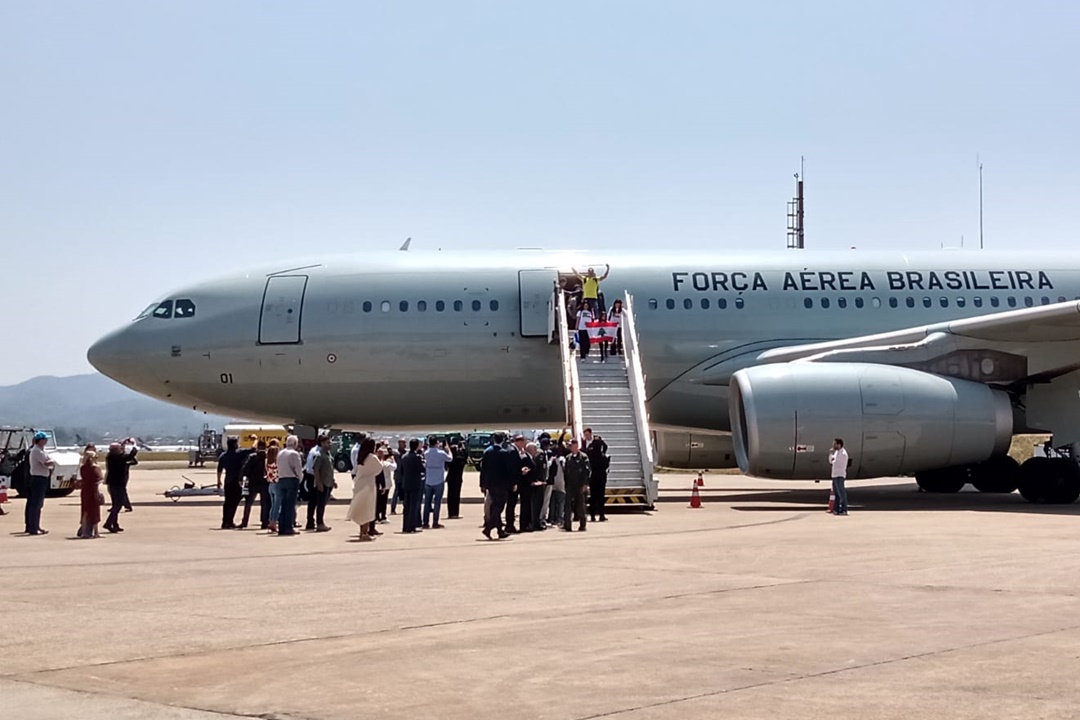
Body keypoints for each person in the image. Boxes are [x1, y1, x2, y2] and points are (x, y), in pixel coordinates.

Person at [346, 438, 380, 541]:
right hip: (368, 485)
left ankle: (362, 532)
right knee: (367, 509)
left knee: (361, 509)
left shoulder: (360, 456)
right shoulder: (372, 457)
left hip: (359, 483)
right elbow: (379, 468)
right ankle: (365, 533)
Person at [217, 437, 253, 530]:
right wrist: (255, 439)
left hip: (228, 481)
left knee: (227, 502)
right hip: (237, 481)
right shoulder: (239, 454)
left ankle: (225, 521)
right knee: (235, 502)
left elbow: (219, 469)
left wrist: (218, 480)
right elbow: (253, 449)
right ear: (235, 445)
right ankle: (229, 521)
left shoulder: (223, 456)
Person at [104, 440, 138, 534]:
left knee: (116, 504)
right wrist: (134, 445)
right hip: (117, 485)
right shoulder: (119, 458)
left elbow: (123, 454)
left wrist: (123, 443)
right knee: (117, 505)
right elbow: (131, 455)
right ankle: (108, 523)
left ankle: (115, 524)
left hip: (113, 484)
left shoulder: (111, 457)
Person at [482, 435, 512, 540]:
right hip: (502, 484)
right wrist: (512, 483)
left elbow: (483, 470)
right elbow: (509, 470)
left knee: (495, 506)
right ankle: (489, 528)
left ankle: (499, 531)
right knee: (498, 507)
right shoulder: (505, 453)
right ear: (503, 441)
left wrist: (483, 484)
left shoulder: (488, 453)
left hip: (491, 484)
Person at [25, 431, 55, 536]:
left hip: (42, 478)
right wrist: (51, 462)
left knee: (38, 504)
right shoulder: (37, 451)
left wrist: (50, 461)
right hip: (38, 479)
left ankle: (35, 526)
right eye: (45, 439)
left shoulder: (41, 450)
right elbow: (47, 462)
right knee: (35, 504)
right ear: (40, 440)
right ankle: (33, 527)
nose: (46, 441)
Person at [275, 436, 303, 536]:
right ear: (295, 443)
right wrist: (299, 479)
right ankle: (288, 527)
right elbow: (298, 469)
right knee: (290, 505)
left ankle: (282, 527)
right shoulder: (294, 454)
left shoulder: (280, 453)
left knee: (283, 505)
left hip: (281, 479)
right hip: (291, 479)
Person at [562, 439, 591, 532]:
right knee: (567, 505)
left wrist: (585, 484)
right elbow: (565, 472)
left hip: (580, 484)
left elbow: (587, 471)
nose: (571, 447)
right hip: (570, 485)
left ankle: (582, 525)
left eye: (572, 445)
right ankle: (567, 525)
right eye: (570, 445)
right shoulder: (568, 458)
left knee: (580, 506)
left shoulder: (583, 457)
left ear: (576, 445)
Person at [239, 441, 269, 529]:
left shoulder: (252, 456)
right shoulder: (267, 456)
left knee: (248, 503)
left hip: (253, 482)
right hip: (265, 482)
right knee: (265, 503)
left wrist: (241, 478)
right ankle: (264, 522)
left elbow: (245, 468)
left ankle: (244, 522)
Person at [423, 440, 452, 529]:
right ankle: (435, 522)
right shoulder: (441, 453)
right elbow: (450, 458)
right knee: (437, 503)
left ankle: (425, 522)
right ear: (436, 443)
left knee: (427, 502)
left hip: (428, 480)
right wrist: (448, 449)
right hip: (439, 480)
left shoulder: (426, 453)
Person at [308, 435, 334, 532]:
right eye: (327, 443)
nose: (330, 444)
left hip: (328, 482)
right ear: (322, 443)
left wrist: (333, 481)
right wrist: (319, 483)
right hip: (322, 483)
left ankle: (320, 522)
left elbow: (330, 469)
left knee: (323, 504)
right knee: (320, 504)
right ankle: (320, 523)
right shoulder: (319, 455)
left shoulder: (328, 454)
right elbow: (316, 469)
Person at [505, 435, 531, 533]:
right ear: (519, 442)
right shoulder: (512, 451)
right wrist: (519, 475)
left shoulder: (513, 450)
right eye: (524, 442)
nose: (524, 444)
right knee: (511, 504)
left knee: (512, 504)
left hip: (515, 481)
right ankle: (509, 525)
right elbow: (511, 469)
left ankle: (510, 524)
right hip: (513, 482)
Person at [399, 439, 426, 533]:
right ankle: (411, 526)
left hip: (406, 483)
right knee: (413, 506)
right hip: (415, 483)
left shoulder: (404, 456)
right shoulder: (417, 457)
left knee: (406, 506)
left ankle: (405, 526)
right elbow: (422, 469)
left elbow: (401, 470)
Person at [584, 429, 610, 522]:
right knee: (600, 497)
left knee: (593, 497)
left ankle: (592, 516)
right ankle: (601, 515)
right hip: (600, 477)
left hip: (593, 477)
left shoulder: (590, 454)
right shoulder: (603, 457)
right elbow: (606, 465)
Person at [77, 446, 102, 539]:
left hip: (85, 490)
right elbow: (99, 479)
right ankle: (96, 532)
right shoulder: (95, 468)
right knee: (95, 512)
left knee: (85, 511)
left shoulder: (83, 468)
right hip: (93, 490)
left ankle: (84, 531)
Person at [525, 442, 548, 532]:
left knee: (539, 504)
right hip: (533, 484)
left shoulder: (536, 457)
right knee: (534, 505)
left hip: (540, 483)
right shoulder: (528, 458)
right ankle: (533, 523)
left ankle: (536, 522)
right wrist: (534, 481)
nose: (536, 451)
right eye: (534, 449)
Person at [445, 443, 467, 519]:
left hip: (450, 479)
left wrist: (448, 451)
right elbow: (465, 457)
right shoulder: (460, 460)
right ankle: (455, 512)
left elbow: (446, 464)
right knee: (456, 496)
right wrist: (463, 449)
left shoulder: (450, 461)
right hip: (458, 479)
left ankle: (450, 513)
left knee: (450, 496)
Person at [829, 438, 850, 516]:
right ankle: (836, 509)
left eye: (835, 444)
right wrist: (831, 455)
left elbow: (836, 463)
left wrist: (833, 460)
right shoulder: (836, 452)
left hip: (840, 475)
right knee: (836, 494)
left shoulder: (843, 454)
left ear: (839, 444)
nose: (833, 446)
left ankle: (844, 509)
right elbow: (831, 461)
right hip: (834, 475)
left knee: (841, 493)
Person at [265, 440, 281, 532]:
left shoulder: (267, 462)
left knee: (273, 505)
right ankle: (274, 522)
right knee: (277, 505)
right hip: (277, 484)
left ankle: (271, 520)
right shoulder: (277, 463)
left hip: (270, 484)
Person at [390, 438, 407, 515]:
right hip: (398, 476)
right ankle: (393, 509)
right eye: (403, 443)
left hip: (405, 476)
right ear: (399, 443)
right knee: (396, 492)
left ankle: (405, 508)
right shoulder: (395, 453)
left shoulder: (406, 453)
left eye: (404, 443)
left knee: (405, 492)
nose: (404, 444)